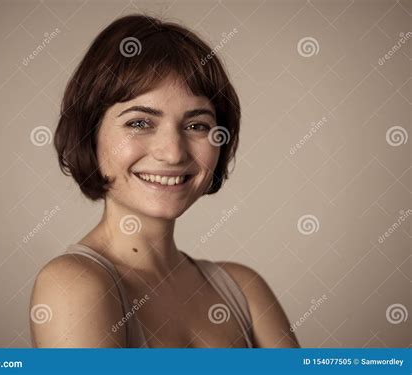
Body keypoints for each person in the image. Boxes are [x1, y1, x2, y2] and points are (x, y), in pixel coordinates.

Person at [29, 14, 300, 349]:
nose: (173, 153)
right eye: (140, 123)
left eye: (197, 125)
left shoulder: (244, 289)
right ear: (89, 134)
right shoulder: (73, 284)